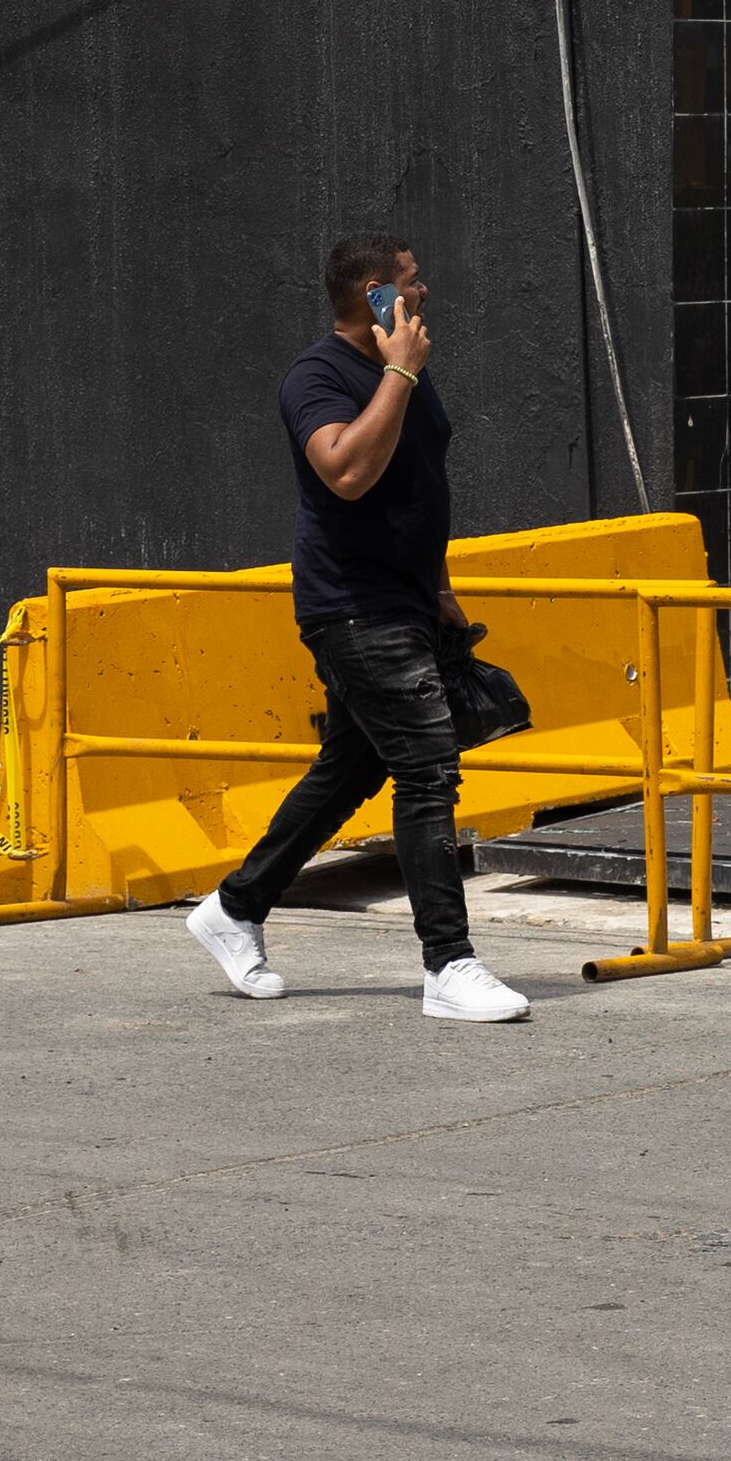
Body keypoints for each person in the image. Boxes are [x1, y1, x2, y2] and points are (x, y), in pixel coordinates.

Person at [184, 232, 533, 1024]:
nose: (424, 291)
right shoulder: (317, 376)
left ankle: (235, 906)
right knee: (428, 765)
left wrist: (439, 584)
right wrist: (399, 373)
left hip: (406, 601)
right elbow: (344, 470)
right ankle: (448, 962)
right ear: (375, 293)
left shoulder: (404, 373)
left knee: (352, 769)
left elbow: (419, 480)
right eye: (411, 281)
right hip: (352, 605)